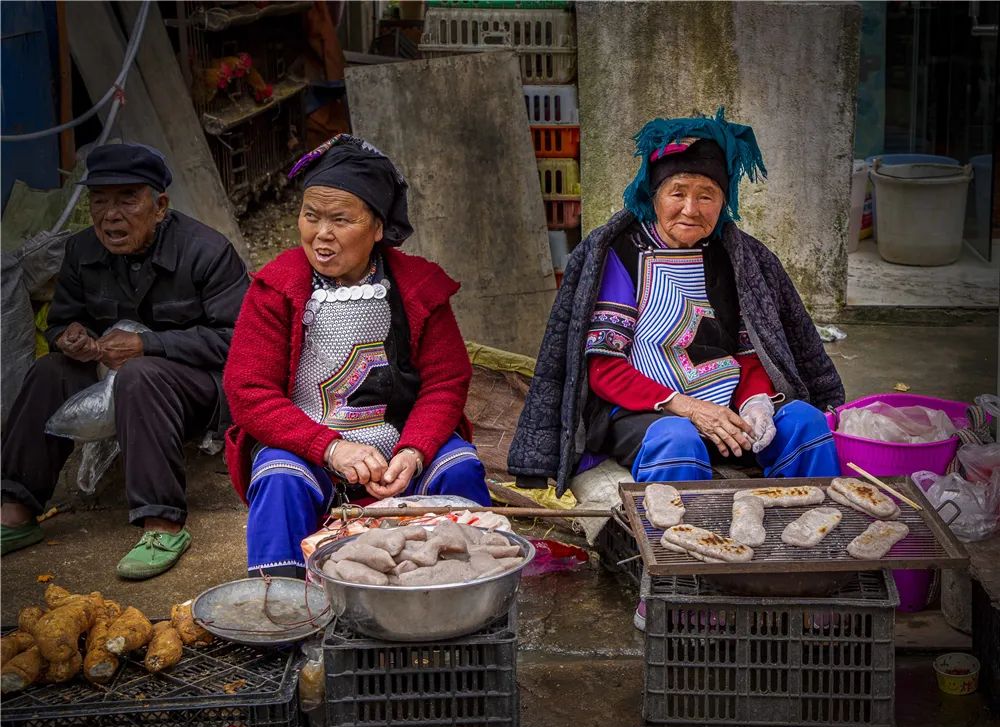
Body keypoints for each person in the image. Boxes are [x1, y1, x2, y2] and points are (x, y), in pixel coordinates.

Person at [508, 111, 844, 626]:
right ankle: (678, 592)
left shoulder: (737, 258)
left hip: (726, 406)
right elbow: (602, 370)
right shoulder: (618, 255)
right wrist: (688, 408)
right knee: (676, 441)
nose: (691, 208)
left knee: (804, 424)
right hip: (644, 409)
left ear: (724, 201)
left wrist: (756, 402)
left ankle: (806, 576)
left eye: (707, 195)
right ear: (653, 193)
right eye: (678, 192)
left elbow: (753, 353)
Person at [224, 135, 490, 578]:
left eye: (341, 219)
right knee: (278, 477)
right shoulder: (277, 289)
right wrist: (329, 447)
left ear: (378, 228)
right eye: (311, 216)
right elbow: (249, 391)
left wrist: (415, 450)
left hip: (401, 447)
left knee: (459, 467)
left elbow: (445, 382)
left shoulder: (418, 287)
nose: (321, 233)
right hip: (309, 446)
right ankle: (279, 603)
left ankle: (467, 589)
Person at [0, 143, 249, 578]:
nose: (110, 215)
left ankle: (162, 524)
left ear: (160, 206)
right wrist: (69, 337)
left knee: (140, 374)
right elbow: (60, 322)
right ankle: (15, 510)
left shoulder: (206, 251)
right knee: (47, 372)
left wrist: (150, 345)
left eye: (127, 200)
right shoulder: (81, 252)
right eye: (100, 200)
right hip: (111, 378)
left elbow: (239, 341)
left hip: (196, 393)